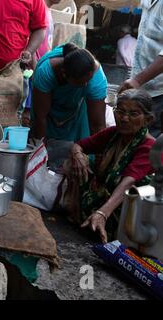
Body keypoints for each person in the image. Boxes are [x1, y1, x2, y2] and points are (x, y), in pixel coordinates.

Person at [63, 89, 155, 243]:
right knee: (75, 162)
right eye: (120, 111)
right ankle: (82, 214)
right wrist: (78, 156)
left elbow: (129, 182)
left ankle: (110, 227)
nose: (124, 118)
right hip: (105, 196)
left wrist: (103, 213)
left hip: (132, 207)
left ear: (147, 119)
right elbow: (78, 146)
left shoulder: (149, 146)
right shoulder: (113, 133)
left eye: (133, 114)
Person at [31, 43, 107, 170]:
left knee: (85, 154)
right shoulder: (45, 73)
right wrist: (40, 157)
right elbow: (41, 118)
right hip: (46, 113)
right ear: (64, 74)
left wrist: (100, 162)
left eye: (88, 81)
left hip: (76, 110)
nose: (85, 85)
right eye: (81, 83)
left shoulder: (95, 78)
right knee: (43, 160)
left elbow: (97, 125)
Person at [119, 0, 163, 138]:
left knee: (151, 145)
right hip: (143, 88)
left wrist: (138, 79)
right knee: (136, 139)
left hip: (159, 91)